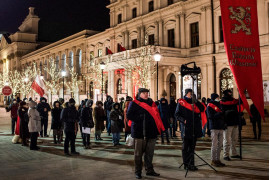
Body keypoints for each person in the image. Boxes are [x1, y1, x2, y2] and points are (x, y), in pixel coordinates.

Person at [127, 88, 164, 179]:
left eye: (147, 93)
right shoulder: (134, 103)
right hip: (139, 132)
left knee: (149, 154)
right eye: (144, 93)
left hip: (151, 132)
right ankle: (138, 172)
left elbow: (156, 116)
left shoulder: (152, 103)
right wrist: (140, 117)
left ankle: (149, 170)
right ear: (139, 94)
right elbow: (129, 115)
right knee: (138, 154)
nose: (146, 94)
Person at [175, 89, 205, 171]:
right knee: (185, 147)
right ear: (186, 94)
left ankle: (192, 164)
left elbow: (202, 109)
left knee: (192, 147)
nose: (191, 95)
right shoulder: (181, 102)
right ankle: (186, 164)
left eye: (192, 94)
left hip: (194, 128)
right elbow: (176, 115)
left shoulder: (194, 102)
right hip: (186, 127)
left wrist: (197, 101)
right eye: (190, 94)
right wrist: (183, 120)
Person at [221, 90, 241, 161]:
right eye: (229, 93)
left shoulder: (233, 101)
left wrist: (240, 93)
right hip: (227, 123)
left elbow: (241, 102)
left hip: (234, 122)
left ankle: (234, 153)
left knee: (235, 139)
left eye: (230, 93)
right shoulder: (222, 102)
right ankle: (226, 155)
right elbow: (222, 113)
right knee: (227, 140)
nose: (230, 94)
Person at [206, 93, 226, 167]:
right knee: (214, 145)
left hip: (220, 126)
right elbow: (210, 116)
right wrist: (219, 114)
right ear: (214, 98)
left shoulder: (219, 105)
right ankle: (213, 160)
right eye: (217, 97)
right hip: (214, 127)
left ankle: (218, 159)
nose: (218, 98)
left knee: (220, 145)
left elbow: (222, 114)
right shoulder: (210, 105)